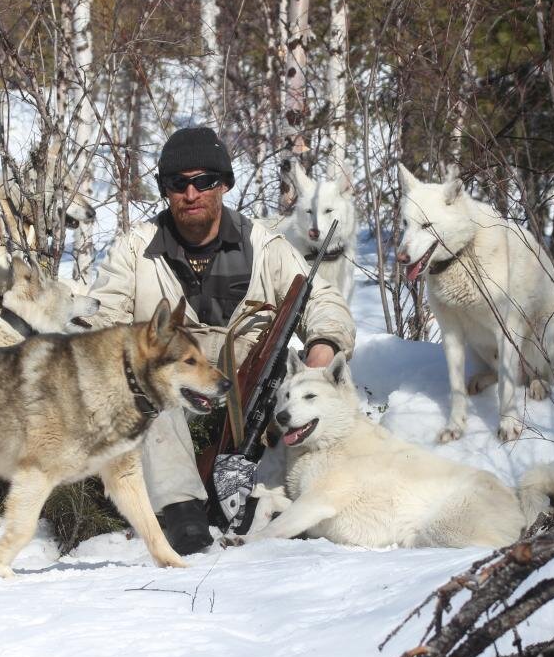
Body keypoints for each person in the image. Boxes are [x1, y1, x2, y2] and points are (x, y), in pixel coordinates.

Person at [86, 127, 356, 554]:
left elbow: (322, 300)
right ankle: (185, 519)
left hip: (250, 403)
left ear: (225, 184)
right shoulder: (135, 250)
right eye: (178, 183)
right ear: (165, 191)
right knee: (150, 397)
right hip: (172, 401)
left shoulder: (266, 247)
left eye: (204, 181)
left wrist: (323, 347)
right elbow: (103, 321)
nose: (191, 193)